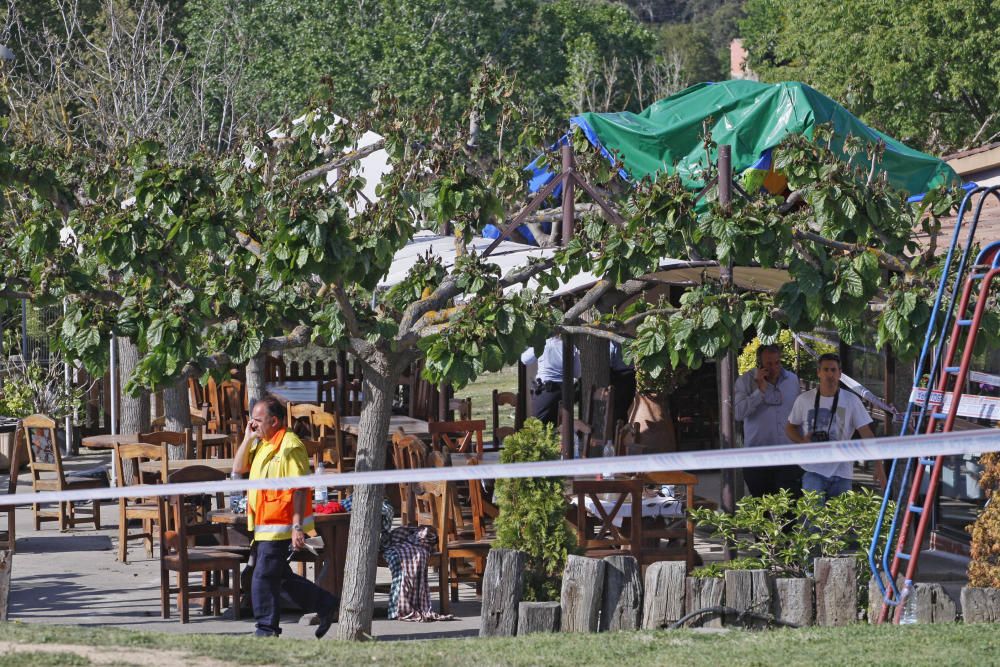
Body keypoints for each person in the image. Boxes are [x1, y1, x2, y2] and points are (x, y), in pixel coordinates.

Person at [232, 395, 338, 638]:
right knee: (278, 576)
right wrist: (248, 438)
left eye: (258, 420)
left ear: (275, 420)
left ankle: (266, 630)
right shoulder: (262, 443)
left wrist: (297, 526)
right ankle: (325, 603)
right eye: (252, 420)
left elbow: (300, 488)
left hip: (281, 524)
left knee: (262, 577)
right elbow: (238, 469)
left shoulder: (290, 446)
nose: (253, 424)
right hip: (263, 525)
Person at [785, 353, 876, 500]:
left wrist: (878, 465)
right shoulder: (804, 399)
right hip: (812, 468)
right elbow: (790, 427)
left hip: (842, 470)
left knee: (841, 521)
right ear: (818, 372)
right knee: (813, 520)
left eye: (833, 370)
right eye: (825, 370)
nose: (829, 374)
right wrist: (802, 441)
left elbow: (867, 434)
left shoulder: (851, 400)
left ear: (840, 374)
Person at [734, 344, 802, 496]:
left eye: (777, 362)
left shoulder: (792, 380)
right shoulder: (745, 381)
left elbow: (798, 415)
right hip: (757, 457)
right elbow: (737, 413)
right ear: (760, 365)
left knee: (789, 509)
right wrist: (760, 391)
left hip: (788, 456)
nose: (774, 368)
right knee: (762, 510)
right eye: (769, 364)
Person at [520, 335, 580, 426]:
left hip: (546, 394)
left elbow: (524, 359)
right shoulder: (572, 347)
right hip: (565, 394)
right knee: (560, 428)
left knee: (537, 428)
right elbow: (576, 373)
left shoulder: (543, 344)